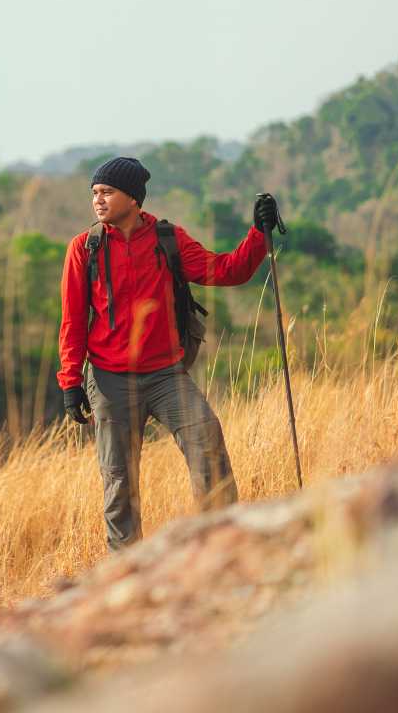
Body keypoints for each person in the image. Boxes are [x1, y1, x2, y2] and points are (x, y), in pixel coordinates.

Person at [57, 156, 279, 551]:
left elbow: (226, 270)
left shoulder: (167, 239)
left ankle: (223, 545)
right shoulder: (84, 248)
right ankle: (126, 568)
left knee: (207, 442)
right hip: (109, 379)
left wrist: (259, 234)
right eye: (95, 193)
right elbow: (73, 320)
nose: (98, 200)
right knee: (119, 479)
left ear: (133, 198)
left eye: (107, 192)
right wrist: (71, 382)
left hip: (165, 375)